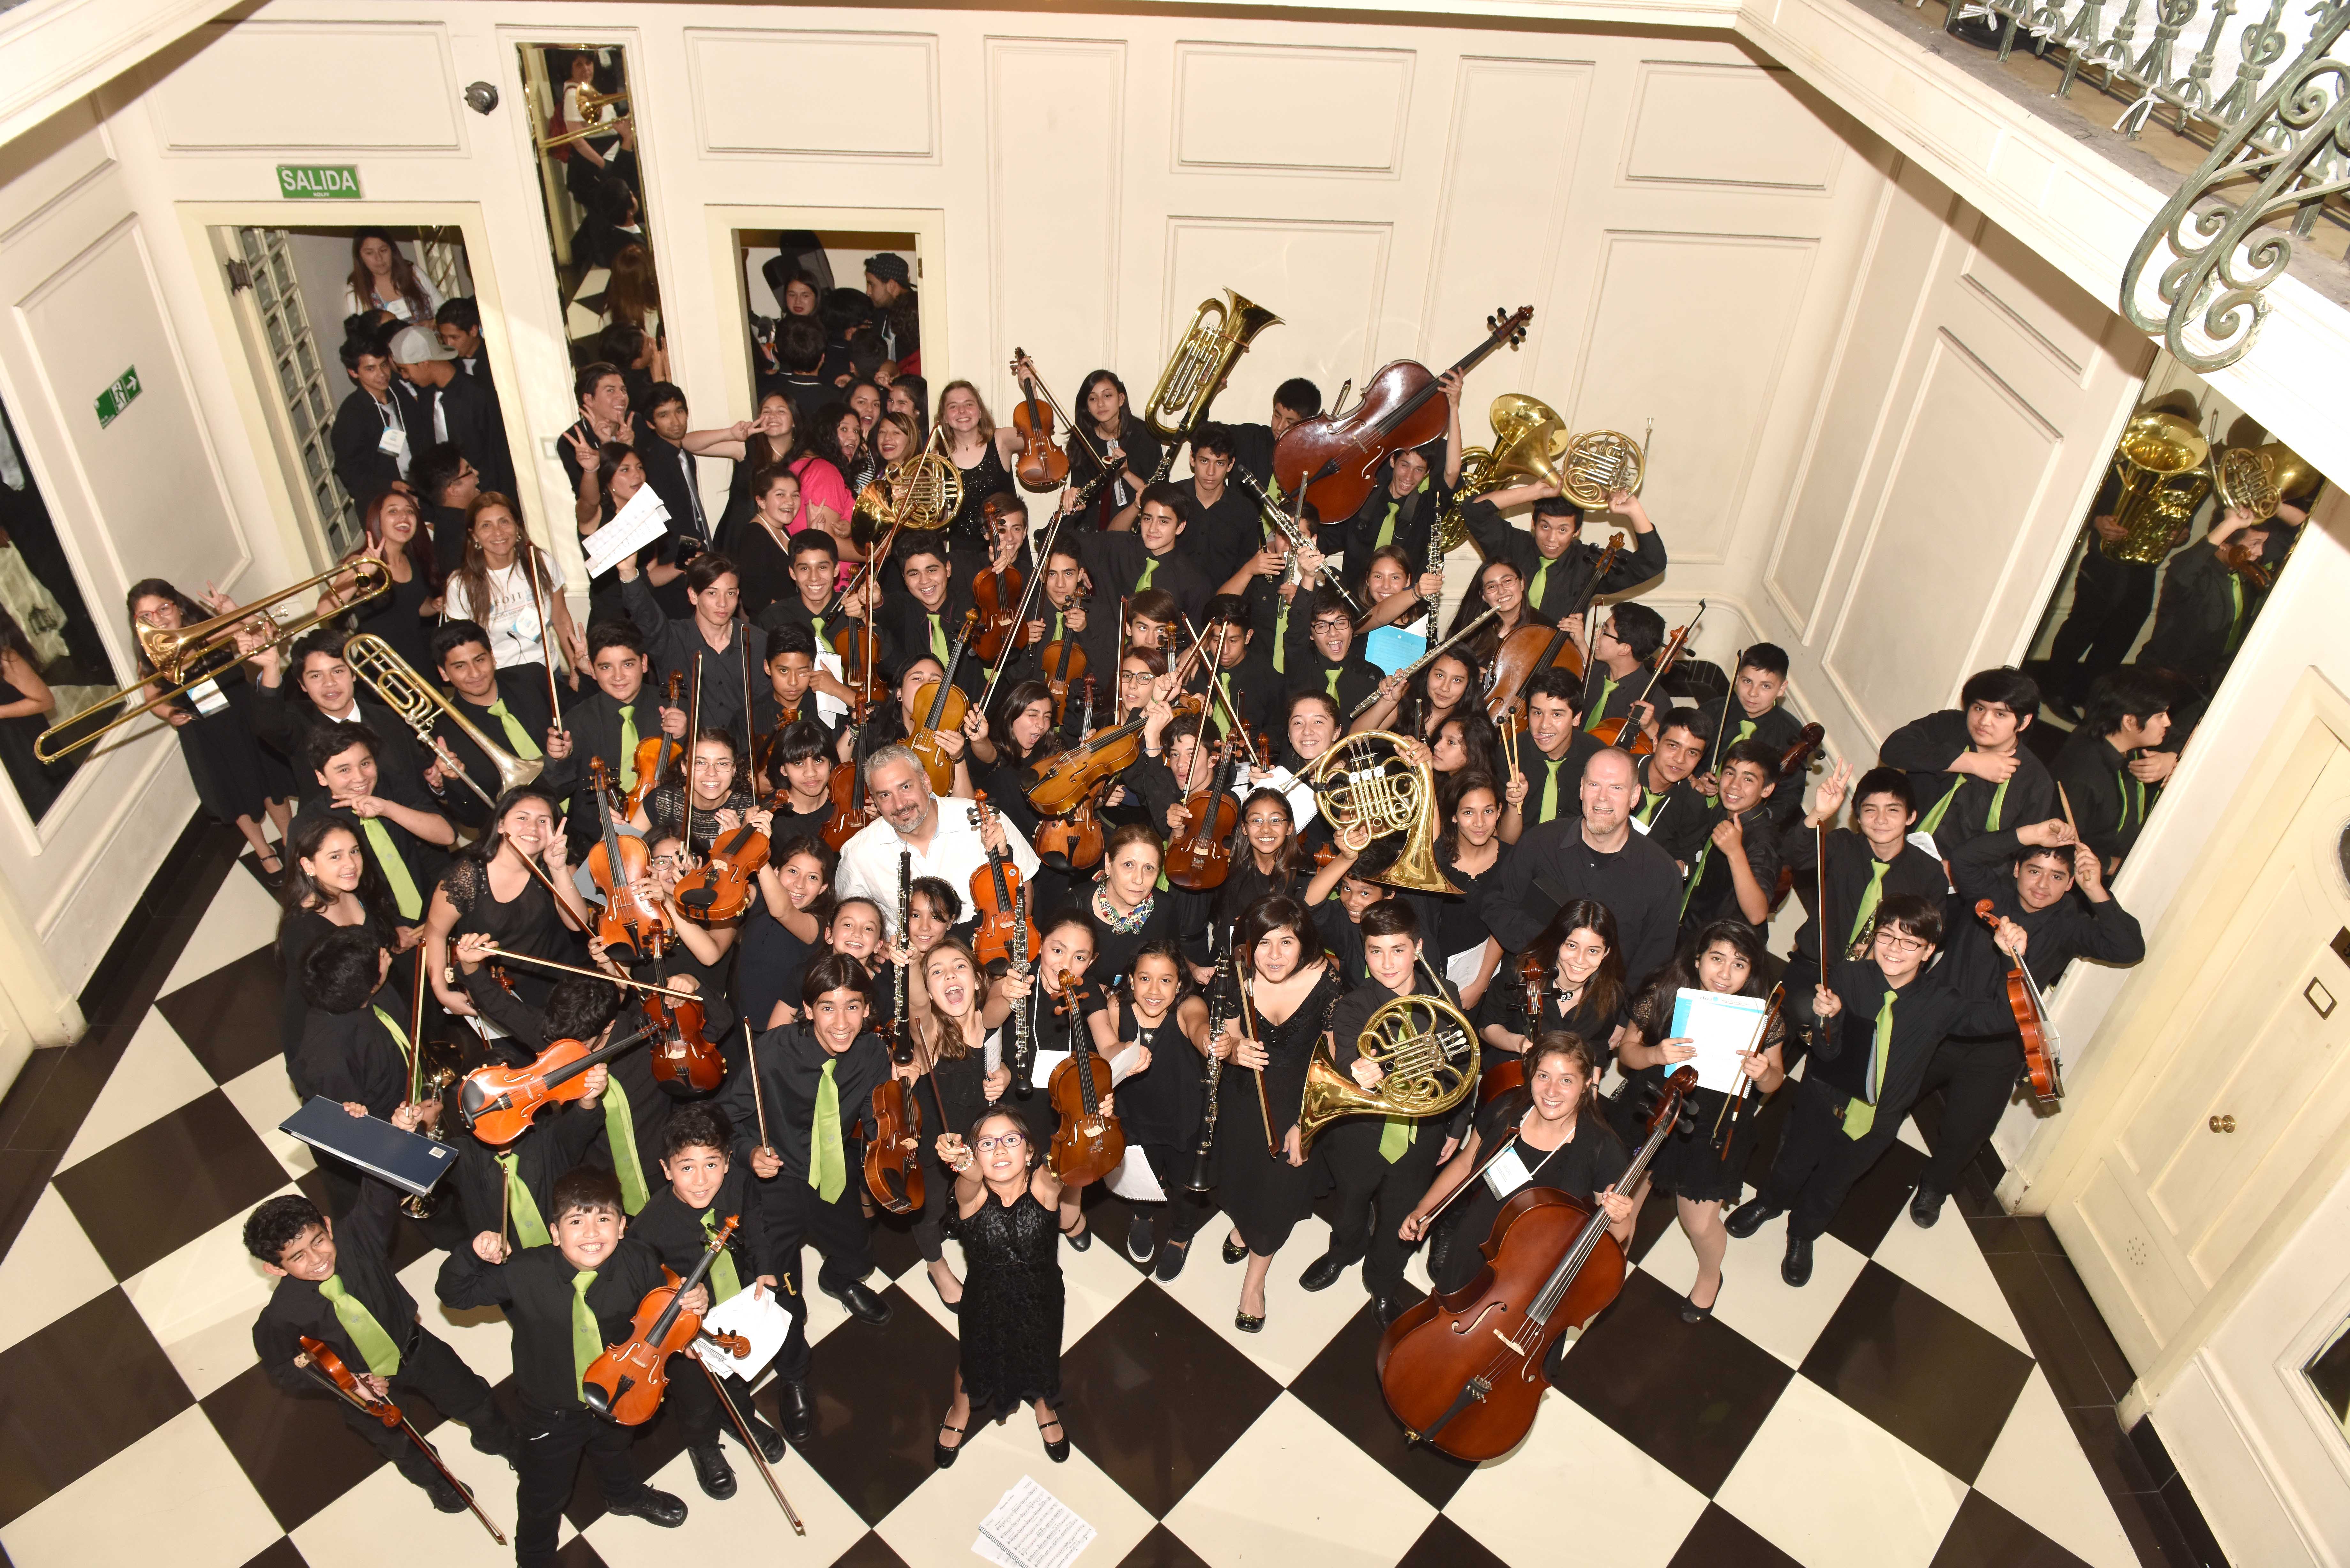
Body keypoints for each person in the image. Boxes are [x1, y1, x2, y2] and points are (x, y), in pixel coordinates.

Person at [436, 1166, 694, 1566]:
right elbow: (454, 1293)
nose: (592, 1233)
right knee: (543, 1493)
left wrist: (691, 1310)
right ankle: (534, 1556)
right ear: (555, 1233)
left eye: (603, 1219)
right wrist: (473, 1253)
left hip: (619, 1391)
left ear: (622, 1227)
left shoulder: (640, 1261)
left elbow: (660, 1315)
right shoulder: (524, 1271)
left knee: (617, 1451)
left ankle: (623, 1495)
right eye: (577, 1221)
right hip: (549, 1409)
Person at [1725, 895, 1973, 1285]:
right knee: (1793, 1159)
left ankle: (1803, 1233)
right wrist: (1831, 1020)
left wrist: (2013, 958)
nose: (1894, 949)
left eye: (1910, 943)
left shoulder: (1943, 1002)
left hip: (1878, 1116)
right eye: (1887, 936)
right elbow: (1825, 1053)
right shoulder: (1848, 976)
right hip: (1823, 1094)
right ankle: (1769, 1202)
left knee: (1834, 1182)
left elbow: (1999, 1017)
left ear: (1928, 951)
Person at [1908, 819, 2144, 1225]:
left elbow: (2128, 947)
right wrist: (2031, 834)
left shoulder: (2068, 923)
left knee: (1967, 1131)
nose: (2042, 885)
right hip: (1938, 1025)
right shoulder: (1990, 893)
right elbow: (1964, 858)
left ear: (2069, 884)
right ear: (2017, 869)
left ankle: (1935, 1186)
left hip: (1999, 1048)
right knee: (1886, 1095)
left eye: (2057, 877)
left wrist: (2095, 888)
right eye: (2034, 870)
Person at [715, 954, 908, 1442]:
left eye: (852, 1008)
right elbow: (726, 1119)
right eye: (827, 1008)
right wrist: (749, 1152)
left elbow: (872, 1115)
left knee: (856, 1250)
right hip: (775, 1185)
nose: (841, 1023)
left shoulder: (870, 1054)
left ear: (868, 1011)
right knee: (783, 1297)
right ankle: (795, 1377)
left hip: (833, 1173)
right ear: (806, 1010)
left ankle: (838, 1280)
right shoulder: (773, 1051)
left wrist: (894, 1132)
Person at [246, 1178, 516, 1516]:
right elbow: (283, 1367)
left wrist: (396, 1130)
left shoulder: (358, 1237)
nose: (317, 1258)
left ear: (328, 1226)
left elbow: (378, 1188)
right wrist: (345, 1381)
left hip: (415, 1347)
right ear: (274, 1267)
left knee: (471, 1396)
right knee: (400, 1443)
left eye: (319, 1241)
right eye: (298, 1257)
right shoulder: (281, 1314)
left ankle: (499, 1439)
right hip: (364, 1388)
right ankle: (435, 1479)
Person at [1616, 921, 1786, 1320]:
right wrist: (1655, 1054)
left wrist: (1762, 1073)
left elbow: (1775, 1080)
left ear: (1752, 971)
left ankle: (1711, 1275)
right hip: (1653, 1105)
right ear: (1697, 959)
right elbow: (1627, 1052)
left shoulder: (1764, 1015)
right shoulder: (1661, 991)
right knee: (1621, 1207)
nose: (1725, 974)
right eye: (1716, 959)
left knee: (1697, 1220)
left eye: (1739, 964)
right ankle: (1611, 1265)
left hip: (1714, 1123)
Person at [1400, 1034, 1633, 1311]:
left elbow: (1616, 1235)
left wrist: (1619, 1217)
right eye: (1543, 1076)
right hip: (1478, 1240)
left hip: (1539, 1268)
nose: (1551, 1091)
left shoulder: (1602, 1147)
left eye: (1566, 1080)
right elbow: (1466, 1163)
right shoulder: (1507, 1109)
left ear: (1586, 1085)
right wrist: (1425, 1210)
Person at [628, 1104, 790, 1498]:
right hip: (685, 1330)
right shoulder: (649, 1227)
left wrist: (764, 1266)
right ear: (667, 1170)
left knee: (737, 1373)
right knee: (696, 1397)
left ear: (729, 1162)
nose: (701, 1181)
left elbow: (753, 1219)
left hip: (734, 1306)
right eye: (686, 1168)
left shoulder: (738, 1184)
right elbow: (640, 1292)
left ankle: (740, 1418)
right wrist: (676, 1296)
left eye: (711, 1165)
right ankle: (701, 1444)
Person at [1307, 900, 1453, 1324]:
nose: (1387, 963)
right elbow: (1352, 1061)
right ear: (1365, 952)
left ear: (1418, 949)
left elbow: (1463, 1066)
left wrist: (1456, 1128)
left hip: (1421, 1132)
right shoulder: (1355, 1005)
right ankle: (1343, 1253)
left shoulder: (1446, 997)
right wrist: (1362, 1072)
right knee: (1350, 1204)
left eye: (1398, 950)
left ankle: (1383, 1283)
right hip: (1362, 1131)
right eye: (1376, 951)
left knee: (1401, 1214)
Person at [1209, 894, 1346, 1331]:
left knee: (1276, 1193)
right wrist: (1235, 1055)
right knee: (1242, 1175)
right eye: (1263, 943)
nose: (1273, 955)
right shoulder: (1237, 975)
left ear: (1303, 942)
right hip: (1244, 1098)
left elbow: (1333, 1065)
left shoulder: (1327, 982)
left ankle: (1255, 1282)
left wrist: (1306, 1123)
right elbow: (1227, 1040)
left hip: (1300, 1102)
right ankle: (1243, 1229)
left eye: (1285, 943)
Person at [1777, 762, 1946, 1064]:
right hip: (1813, 967)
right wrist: (1819, 814)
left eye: (1893, 810)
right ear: (1858, 817)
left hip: (1869, 984)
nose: (1880, 820)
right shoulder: (1841, 844)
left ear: (1911, 817)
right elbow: (1794, 855)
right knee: (1770, 1050)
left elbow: (1932, 937)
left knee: (1832, 1068)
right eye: (1870, 810)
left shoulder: (1929, 873)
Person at [932, 1104, 1072, 1468]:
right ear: (975, 1153)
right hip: (984, 1302)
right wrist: (964, 1164)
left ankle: (1045, 1407)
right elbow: (970, 1180)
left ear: (1029, 1153)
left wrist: (1093, 1120)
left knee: (1043, 1354)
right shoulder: (972, 1196)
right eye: (987, 1143)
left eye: (1011, 1140)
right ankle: (960, 1409)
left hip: (1041, 1298)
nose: (999, 1150)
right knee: (973, 1360)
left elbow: (1069, 1158)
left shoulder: (1044, 1185)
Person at [1479, 748, 1685, 986]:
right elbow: (1496, 905)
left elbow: (1653, 963)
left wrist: (1625, 1022)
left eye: (1616, 788)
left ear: (1635, 795)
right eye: (1595, 785)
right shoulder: (1539, 842)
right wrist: (1550, 942)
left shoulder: (1662, 873)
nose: (1602, 798)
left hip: (1603, 1016)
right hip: (1525, 993)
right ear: (1581, 788)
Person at [125, 578, 291, 872]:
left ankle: (293, 840)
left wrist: (233, 611)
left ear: (177, 606)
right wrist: (169, 713)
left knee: (269, 779)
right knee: (233, 790)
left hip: (243, 714)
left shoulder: (209, 630)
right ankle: (263, 851)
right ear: (137, 624)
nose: (159, 619)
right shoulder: (148, 661)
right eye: (146, 617)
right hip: (203, 729)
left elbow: (270, 635)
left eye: (164, 608)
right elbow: (152, 698)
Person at [833, 744, 1040, 936]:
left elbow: (1023, 879)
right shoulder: (859, 853)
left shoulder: (985, 821)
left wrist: (1011, 947)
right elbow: (848, 916)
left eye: (906, 787)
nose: (899, 804)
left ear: (926, 782)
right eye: (885, 795)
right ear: (876, 802)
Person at [908, 938, 1014, 1306]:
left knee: (980, 1195)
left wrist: (1005, 1075)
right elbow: (917, 1005)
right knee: (931, 1207)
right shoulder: (933, 1033)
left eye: (959, 967)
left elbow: (999, 1014)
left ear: (976, 980)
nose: (950, 975)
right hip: (937, 1143)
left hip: (979, 1132)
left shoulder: (987, 1021)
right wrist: (912, 963)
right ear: (931, 991)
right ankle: (936, 1265)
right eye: (936, 972)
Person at [421, 784, 587, 1018]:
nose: (532, 828)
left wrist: (558, 868)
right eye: (522, 818)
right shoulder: (466, 876)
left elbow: (577, 923)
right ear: (501, 825)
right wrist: (441, 989)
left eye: (543, 821)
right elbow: (435, 933)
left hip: (563, 993)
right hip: (501, 997)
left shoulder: (559, 865)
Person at [1109, 938, 1211, 1279]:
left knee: (1184, 1185)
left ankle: (1181, 1236)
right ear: (1131, 978)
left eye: (1166, 980)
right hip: (1134, 1117)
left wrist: (1209, 1040)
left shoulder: (1188, 1006)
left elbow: (1199, 1026)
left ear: (1179, 984)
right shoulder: (1115, 1007)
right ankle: (1143, 1214)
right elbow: (1105, 1053)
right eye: (1145, 978)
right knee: (1141, 1175)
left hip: (1182, 1119)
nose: (1154, 990)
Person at [1879, 667, 2054, 858]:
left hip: (1964, 882)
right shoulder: (1949, 726)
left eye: (2000, 714)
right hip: (1893, 849)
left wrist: (1960, 872)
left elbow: (2018, 854)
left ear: (2023, 722)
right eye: (1979, 709)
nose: (1984, 721)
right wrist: (1970, 762)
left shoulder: (2035, 780)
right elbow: (1892, 749)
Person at [295, 723, 454, 932]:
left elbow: (447, 836)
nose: (360, 778)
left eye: (365, 763)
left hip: (434, 909)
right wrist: (382, 933)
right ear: (322, 777)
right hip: (372, 930)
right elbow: (312, 899)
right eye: (344, 770)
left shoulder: (390, 786)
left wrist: (388, 809)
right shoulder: (308, 824)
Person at [276, 812, 402, 1072]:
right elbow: (335, 1003)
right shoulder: (305, 931)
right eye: (335, 857)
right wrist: (379, 978)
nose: (351, 864)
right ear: (309, 866)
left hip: (375, 1001)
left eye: (354, 852)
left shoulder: (352, 888)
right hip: (342, 1028)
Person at [428, 619, 575, 829]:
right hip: (527, 835)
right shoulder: (444, 733)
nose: (475, 673)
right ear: (443, 673)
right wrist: (453, 780)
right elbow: (473, 819)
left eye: (480, 660)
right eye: (460, 666)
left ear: (493, 657)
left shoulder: (532, 678)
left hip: (584, 805)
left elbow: (585, 721)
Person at [1460, 483, 1664, 624]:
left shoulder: (1589, 562)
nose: (1552, 539)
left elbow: (1652, 563)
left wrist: (1634, 511)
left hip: (1554, 666)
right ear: (1534, 524)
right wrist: (1535, 492)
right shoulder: (1514, 544)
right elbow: (1473, 510)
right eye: (1545, 527)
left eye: (1563, 530)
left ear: (1577, 531)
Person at [442, 494, 585, 678]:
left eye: (504, 522)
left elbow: (561, 619)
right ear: (474, 535)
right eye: (486, 526)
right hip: (499, 680)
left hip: (549, 673)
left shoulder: (541, 562)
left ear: (517, 526)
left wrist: (576, 670)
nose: (498, 533)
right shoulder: (460, 585)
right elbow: (461, 646)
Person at [2051, 667, 2178, 871]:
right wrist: (2120, 868)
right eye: (2161, 716)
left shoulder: (2115, 737)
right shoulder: (2083, 776)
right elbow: (2060, 849)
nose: (2168, 723)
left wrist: (2170, 759)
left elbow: (2185, 739)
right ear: (2130, 721)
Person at [1476, 897, 1626, 1069]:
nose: (1580, 960)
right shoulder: (1520, 975)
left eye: (1593, 951)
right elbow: (1487, 1028)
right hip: (1508, 1073)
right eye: (1572, 946)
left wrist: (1591, 1087)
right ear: (1557, 943)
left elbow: (1598, 1047)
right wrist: (1520, 1044)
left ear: (1606, 953)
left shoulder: (1613, 994)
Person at [385, 324, 515, 499]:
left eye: (405, 370)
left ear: (424, 364)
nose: (405, 377)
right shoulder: (426, 395)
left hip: (486, 498)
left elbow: (499, 456)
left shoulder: (478, 395)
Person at [1677, 740, 1780, 933]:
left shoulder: (1764, 839)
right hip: (1690, 925)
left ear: (1767, 789)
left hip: (1722, 941)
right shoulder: (1723, 810)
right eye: (1730, 773)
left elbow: (1757, 915)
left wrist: (1735, 852)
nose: (1734, 786)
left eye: (1748, 779)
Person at [329, 331, 424, 509]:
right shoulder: (352, 415)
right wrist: (390, 485)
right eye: (370, 369)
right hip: (384, 504)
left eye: (384, 366)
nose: (382, 375)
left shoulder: (399, 391)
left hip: (422, 491)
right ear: (353, 372)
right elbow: (351, 474)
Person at [1062, 368, 1160, 531]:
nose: (1101, 404)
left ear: (1121, 399)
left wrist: (1126, 472)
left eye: (1108, 396)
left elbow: (1158, 494)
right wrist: (1072, 496)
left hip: (1138, 530)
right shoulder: (1081, 439)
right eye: (1093, 399)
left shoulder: (1144, 435)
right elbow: (1079, 490)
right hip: (1091, 531)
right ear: (1087, 406)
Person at [342, 230, 443, 323]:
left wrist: (432, 323)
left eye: (383, 251)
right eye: (370, 253)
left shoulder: (413, 272)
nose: (379, 258)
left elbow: (441, 308)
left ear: (392, 251)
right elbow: (364, 334)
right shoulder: (357, 290)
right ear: (360, 257)